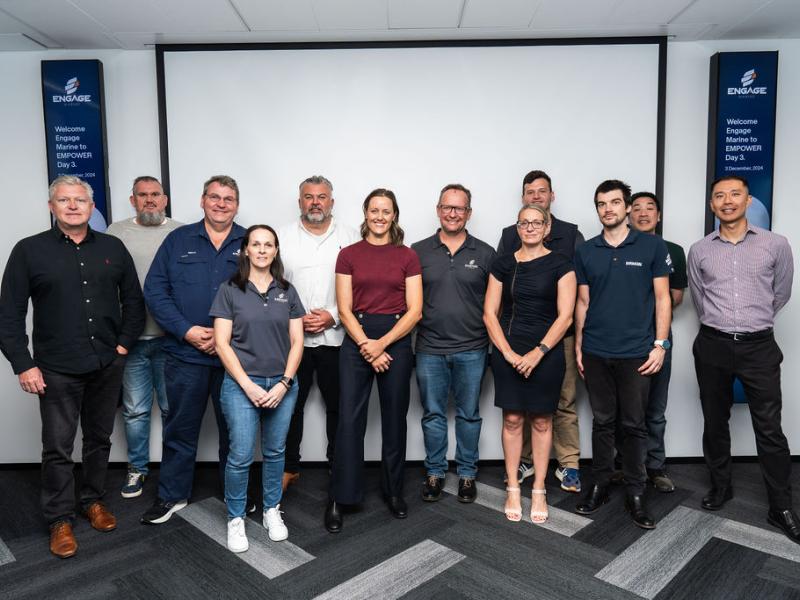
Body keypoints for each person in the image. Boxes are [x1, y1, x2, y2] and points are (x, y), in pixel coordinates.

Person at [0, 175, 145, 558]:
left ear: (92, 206)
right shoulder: (29, 251)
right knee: (58, 448)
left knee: (98, 440)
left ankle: (92, 501)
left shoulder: (112, 247)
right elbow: (9, 315)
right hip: (55, 368)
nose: (73, 206)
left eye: (80, 200)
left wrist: (123, 345)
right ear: (52, 207)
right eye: (64, 200)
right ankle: (60, 519)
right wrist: (23, 364)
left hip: (105, 362)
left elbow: (134, 301)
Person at [688, 175, 799, 544]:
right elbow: (701, 299)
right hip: (713, 345)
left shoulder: (776, 245)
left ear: (748, 201)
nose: (727, 201)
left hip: (759, 346)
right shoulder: (700, 250)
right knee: (715, 421)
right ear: (712, 205)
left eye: (735, 194)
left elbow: (780, 293)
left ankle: (780, 505)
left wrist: (751, 324)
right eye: (719, 196)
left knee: (769, 427)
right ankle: (721, 487)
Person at [140, 175, 247, 525]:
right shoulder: (178, 240)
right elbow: (155, 292)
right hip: (185, 355)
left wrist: (226, 336)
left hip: (234, 358)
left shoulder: (250, 242)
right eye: (214, 197)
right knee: (180, 429)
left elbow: (264, 296)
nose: (220, 203)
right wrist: (186, 331)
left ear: (236, 204)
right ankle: (172, 496)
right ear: (202, 201)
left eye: (228, 199)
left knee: (235, 433)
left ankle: (237, 498)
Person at [573, 179, 671, 530]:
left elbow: (663, 299)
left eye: (615, 202)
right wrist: (579, 346)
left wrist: (661, 345)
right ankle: (599, 483)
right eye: (602, 203)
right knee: (602, 422)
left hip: (636, 353)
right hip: (597, 350)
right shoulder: (586, 250)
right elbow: (582, 302)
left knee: (634, 425)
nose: (608, 209)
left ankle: (636, 492)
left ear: (628, 206)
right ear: (597, 208)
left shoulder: (651, 246)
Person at [324, 188, 422, 533]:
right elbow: (344, 308)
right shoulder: (348, 254)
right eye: (374, 210)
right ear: (365, 213)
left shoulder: (407, 256)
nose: (380, 217)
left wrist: (382, 345)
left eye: (386, 211)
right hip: (357, 340)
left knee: (395, 418)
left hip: (394, 340)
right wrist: (367, 345)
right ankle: (341, 495)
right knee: (349, 421)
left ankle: (394, 491)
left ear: (394, 215)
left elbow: (415, 310)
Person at [211, 225, 305, 552]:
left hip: (282, 385)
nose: (262, 250)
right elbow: (222, 344)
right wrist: (248, 385)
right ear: (246, 250)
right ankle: (236, 518)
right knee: (240, 455)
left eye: (268, 245)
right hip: (241, 385)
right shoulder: (229, 290)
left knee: (276, 452)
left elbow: (297, 342)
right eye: (256, 244)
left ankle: (270, 510)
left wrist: (285, 382)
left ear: (275, 251)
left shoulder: (287, 291)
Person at [484, 205, 576, 523]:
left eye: (537, 223)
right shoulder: (502, 264)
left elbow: (566, 316)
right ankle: (512, 486)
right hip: (508, 350)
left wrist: (538, 352)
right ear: (518, 227)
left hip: (546, 353)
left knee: (541, 421)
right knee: (512, 420)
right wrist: (509, 354)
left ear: (547, 227)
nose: (531, 227)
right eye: (524, 222)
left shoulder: (562, 264)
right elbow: (489, 314)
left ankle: (538, 488)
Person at [497, 170, 584, 493]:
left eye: (542, 191)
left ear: (552, 196)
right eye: (530, 192)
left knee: (560, 401)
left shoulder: (571, 234)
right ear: (523, 198)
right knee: (521, 406)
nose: (536, 196)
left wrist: (555, 342)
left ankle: (570, 463)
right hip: (517, 335)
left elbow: (578, 291)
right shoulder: (509, 235)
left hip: (558, 335)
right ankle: (528, 460)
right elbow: (502, 283)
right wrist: (508, 344)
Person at [411, 184, 496, 503]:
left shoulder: (486, 253)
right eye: (447, 207)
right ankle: (435, 472)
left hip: (473, 348)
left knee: (469, 414)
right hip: (429, 348)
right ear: (438, 209)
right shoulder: (417, 251)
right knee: (432, 414)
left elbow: (496, 303)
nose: (452, 213)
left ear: (469, 213)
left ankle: (467, 475)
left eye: (459, 208)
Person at [279, 176, 359, 492]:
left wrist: (333, 316)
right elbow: (272, 287)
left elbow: (359, 289)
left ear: (332, 202)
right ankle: (288, 468)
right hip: (292, 341)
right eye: (309, 197)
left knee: (339, 407)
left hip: (337, 340)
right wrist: (295, 318)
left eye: (322, 197)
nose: (315, 202)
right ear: (300, 201)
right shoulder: (281, 238)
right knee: (288, 406)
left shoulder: (351, 238)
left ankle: (337, 466)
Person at [106, 176, 182, 498]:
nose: (149, 200)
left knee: (171, 409)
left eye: (155, 194)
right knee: (135, 410)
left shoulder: (181, 232)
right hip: (132, 339)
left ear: (164, 199)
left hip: (171, 339)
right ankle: (137, 469)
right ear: (132, 199)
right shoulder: (115, 233)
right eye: (142, 195)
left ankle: (173, 472)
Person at [621, 191, 687, 493]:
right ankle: (628, 466)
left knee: (655, 408)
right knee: (626, 408)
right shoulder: (616, 247)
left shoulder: (672, 249)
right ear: (627, 214)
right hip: (623, 337)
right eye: (637, 208)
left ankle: (655, 466)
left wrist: (646, 297)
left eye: (650, 209)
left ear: (658, 215)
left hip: (659, 338)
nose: (643, 213)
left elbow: (673, 298)